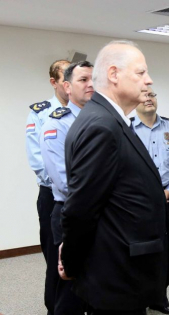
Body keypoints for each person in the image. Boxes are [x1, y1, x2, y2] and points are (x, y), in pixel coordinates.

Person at [59, 40, 168, 315]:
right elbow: (80, 208)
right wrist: (71, 263)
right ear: (114, 74)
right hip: (116, 274)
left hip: (123, 269)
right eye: (141, 73)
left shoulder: (107, 119)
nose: (149, 80)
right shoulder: (102, 126)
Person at [40, 60, 93, 315]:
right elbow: (63, 180)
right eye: (83, 80)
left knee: (99, 286)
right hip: (71, 213)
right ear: (67, 87)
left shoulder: (110, 121)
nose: (90, 85)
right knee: (70, 290)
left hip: (104, 215)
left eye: (94, 80)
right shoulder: (56, 124)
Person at [133, 86, 169, 315]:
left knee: (163, 251)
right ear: (134, 101)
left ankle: (159, 297)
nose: (148, 99)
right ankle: (136, 298)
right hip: (136, 201)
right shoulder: (127, 129)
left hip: (165, 198)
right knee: (137, 250)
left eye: (152, 95)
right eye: (143, 95)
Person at [25, 59, 70, 314]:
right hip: (52, 194)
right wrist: (63, 184)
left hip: (80, 195)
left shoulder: (85, 110)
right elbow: (37, 159)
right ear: (54, 82)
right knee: (54, 254)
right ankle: (54, 307)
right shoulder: (40, 112)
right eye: (65, 76)